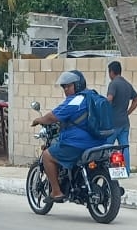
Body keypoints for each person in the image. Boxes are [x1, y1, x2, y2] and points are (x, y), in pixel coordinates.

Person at [30, 70, 106, 203]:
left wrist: (39, 120)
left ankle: (56, 192)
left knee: (48, 155)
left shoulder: (75, 100)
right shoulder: (94, 96)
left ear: (77, 85)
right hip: (99, 142)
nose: (65, 89)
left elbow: (52, 117)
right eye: (63, 87)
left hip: (77, 144)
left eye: (68, 86)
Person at [105, 60, 137, 168]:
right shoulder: (127, 84)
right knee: (124, 147)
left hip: (113, 123)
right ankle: (126, 171)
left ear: (111, 72)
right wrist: (128, 112)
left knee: (106, 147)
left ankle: (106, 170)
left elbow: (109, 99)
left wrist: (104, 111)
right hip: (124, 122)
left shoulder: (113, 84)